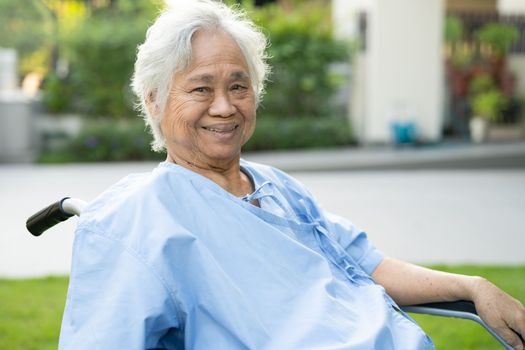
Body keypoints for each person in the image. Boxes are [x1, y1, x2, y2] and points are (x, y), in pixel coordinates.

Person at [58, 1, 525, 349]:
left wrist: (472, 287)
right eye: (201, 88)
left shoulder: (278, 188)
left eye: (238, 86)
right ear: (153, 100)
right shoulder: (129, 224)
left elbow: (367, 264)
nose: (224, 106)